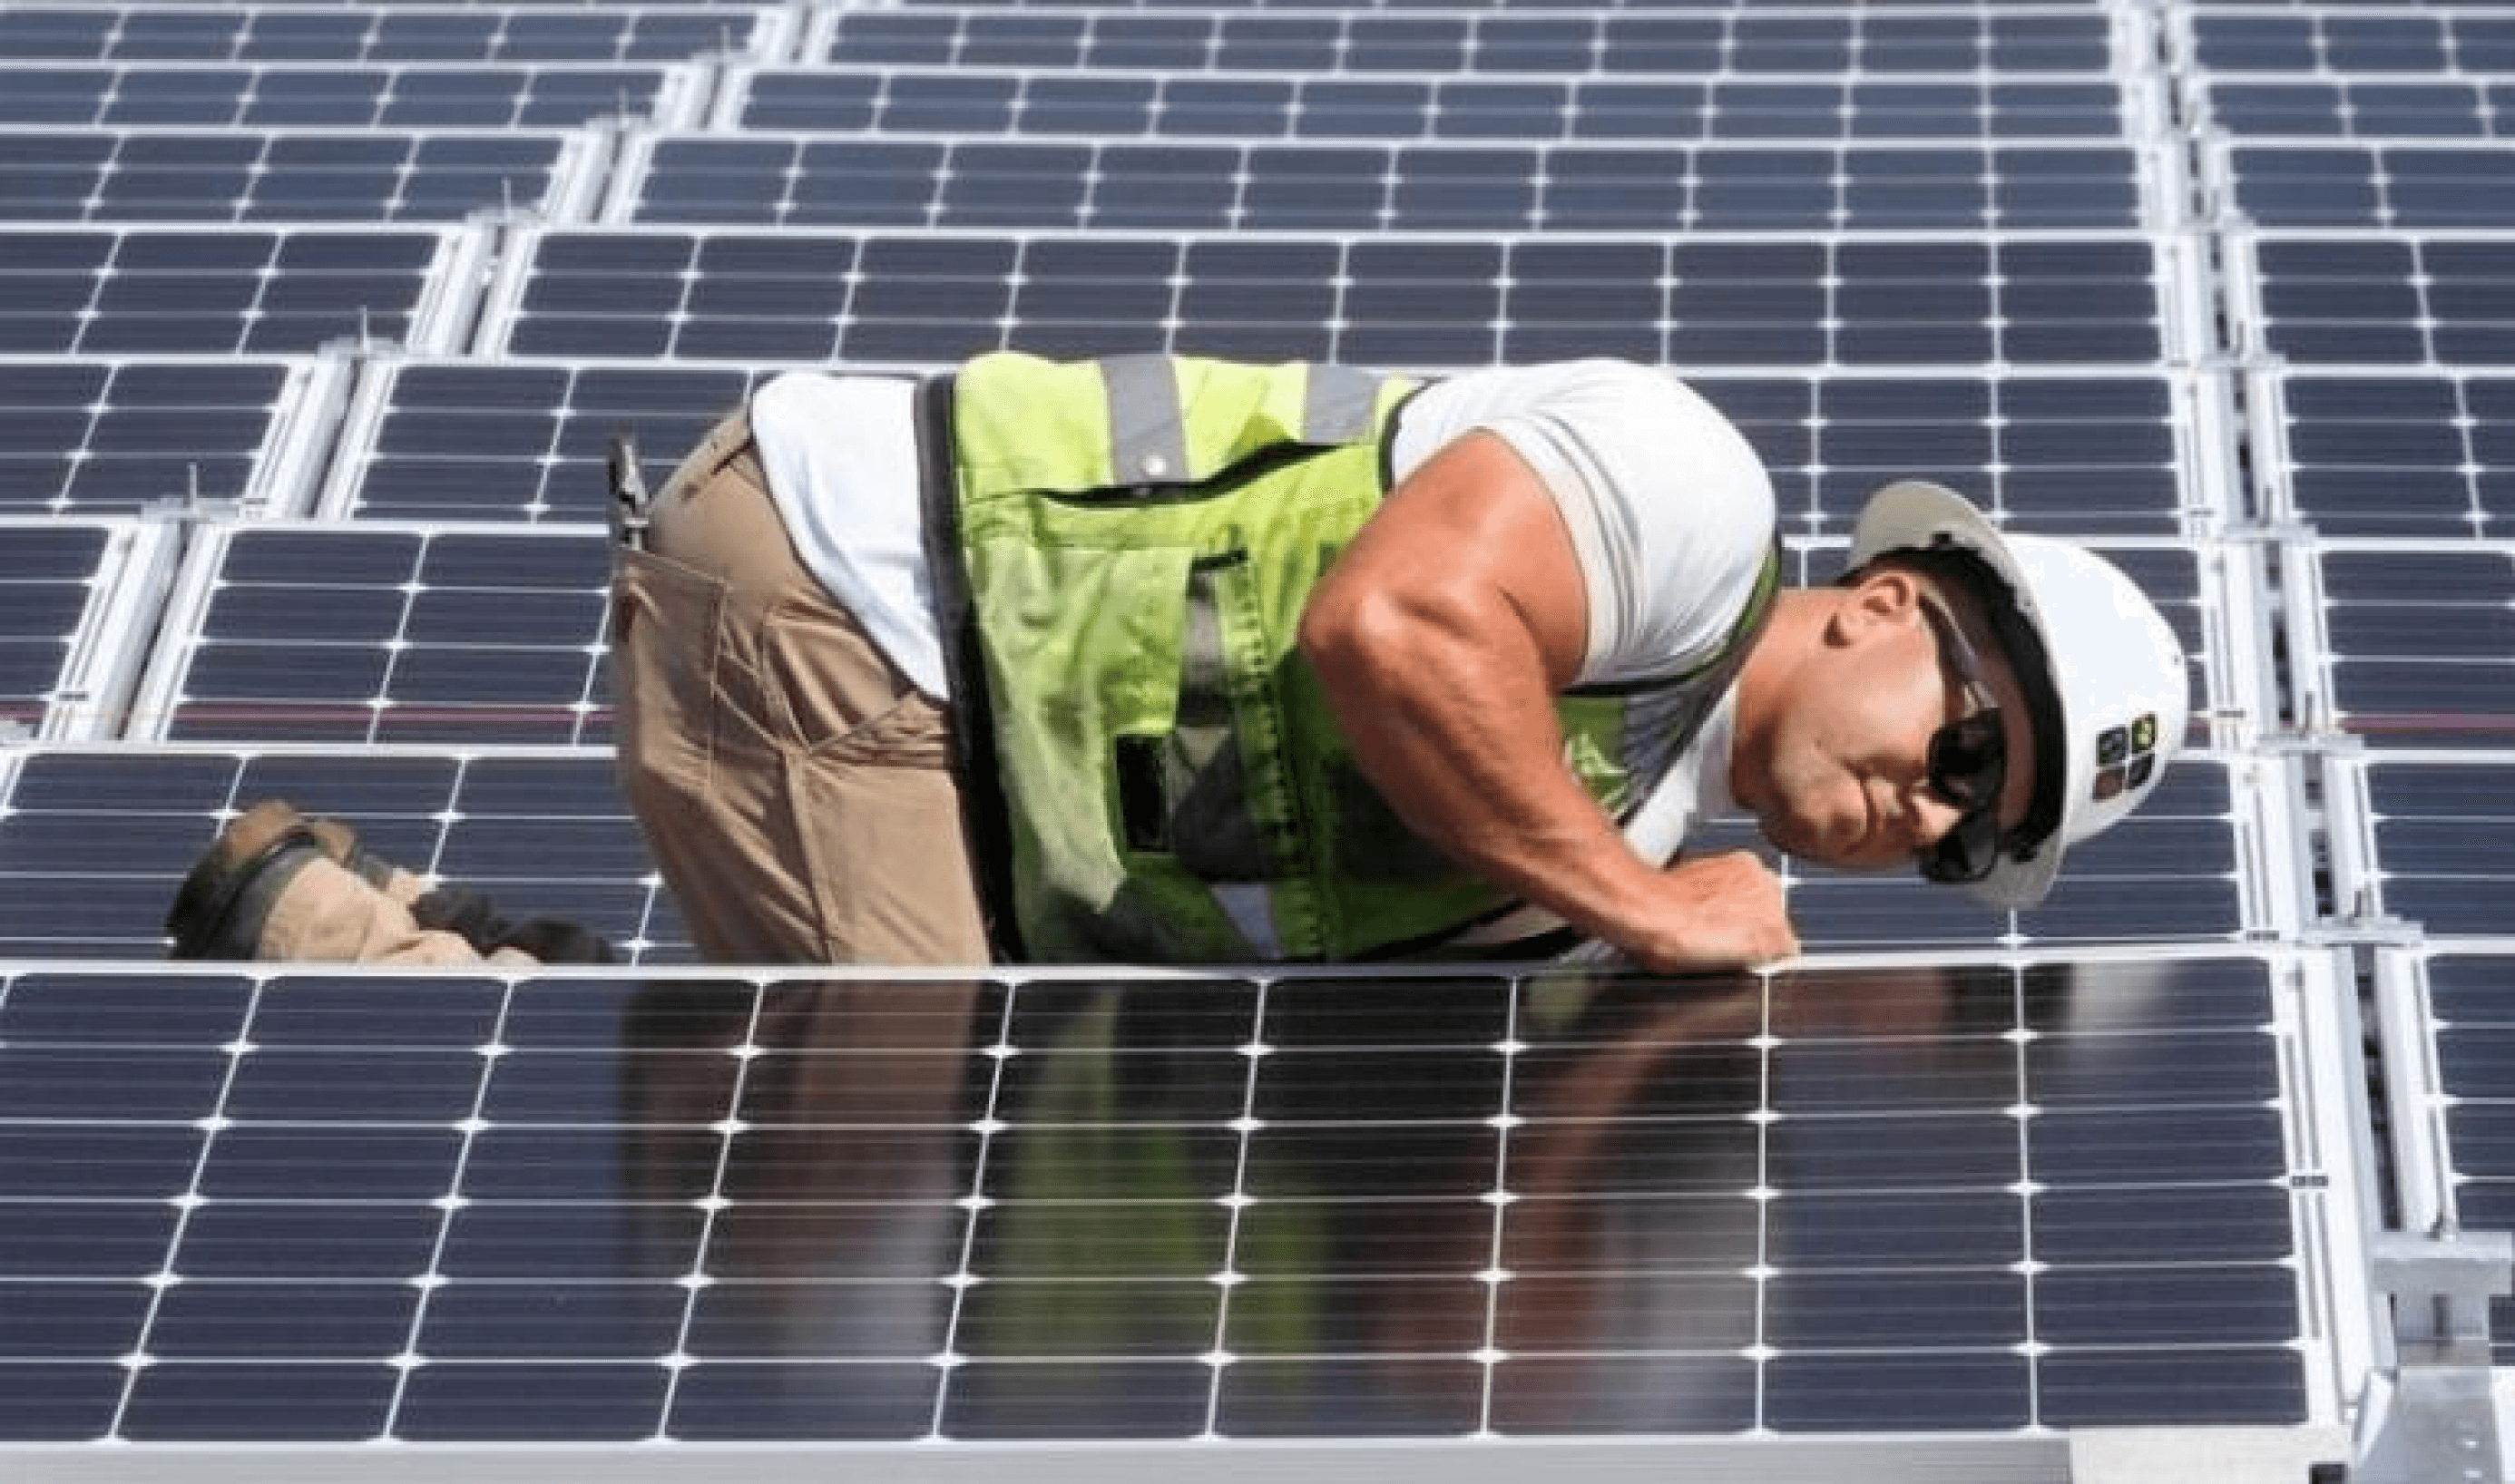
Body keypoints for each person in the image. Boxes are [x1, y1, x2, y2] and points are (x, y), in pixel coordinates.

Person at [162, 353, 2189, 972]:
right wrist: (1643, 903)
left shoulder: (1581, 899)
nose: (1918, 808)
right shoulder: (1686, 498)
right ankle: (379, 963)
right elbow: (1390, 625)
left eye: (1956, 838)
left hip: (954, 761)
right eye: (1962, 746)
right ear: (1894, 606)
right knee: (884, 1238)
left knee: (1004, 1201)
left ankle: (401, 933)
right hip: (857, 595)